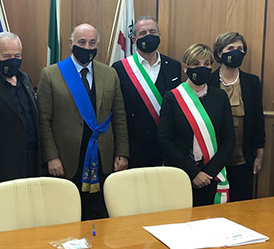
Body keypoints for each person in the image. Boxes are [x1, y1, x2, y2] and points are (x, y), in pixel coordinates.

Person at [38, 23, 129, 220]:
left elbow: (119, 116)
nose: (87, 47)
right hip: (66, 160)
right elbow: (44, 121)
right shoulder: (51, 74)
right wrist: (51, 157)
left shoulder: (110, 74)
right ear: (71, 43)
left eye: (92, 43)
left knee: (97, 216)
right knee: (65, 216)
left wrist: (122, 152)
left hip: (102, 157)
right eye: (82, 42)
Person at [158, 44, 235, 206]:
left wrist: (208, 173)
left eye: (206, 64)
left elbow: (229, 140)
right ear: (185, 68)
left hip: (211, 175)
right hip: (181, 174)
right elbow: (165, 141)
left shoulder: (220, 97)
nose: (202, 68)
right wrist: (194, 173)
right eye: (196, 64)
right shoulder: (172, 97)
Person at [112, 16, 182, 167]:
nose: (148, 36)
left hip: (166, 147)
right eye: (143, 33)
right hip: (134, 148)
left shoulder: (174, 66)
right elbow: (117, 114)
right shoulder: (120, 68)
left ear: (159, 36)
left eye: (152, 32)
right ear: (134, 39)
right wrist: (121, 152)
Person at [0, 32, 39, 185]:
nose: (13, 61)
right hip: (2, 170)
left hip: (32, 165)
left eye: (17, 56)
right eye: (7, 56)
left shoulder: (25, 79)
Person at [210, 32, 265, 201]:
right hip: (213, 161)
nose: (236, 52)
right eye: (231, 48)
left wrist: (259, 155)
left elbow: (258, 120)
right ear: (220, 53)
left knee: (242, 207)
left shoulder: (252, 82)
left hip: (243, 160)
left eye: (240, 49)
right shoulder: (208, 81)